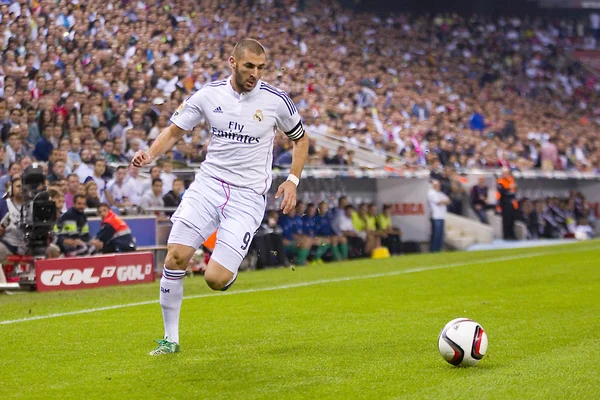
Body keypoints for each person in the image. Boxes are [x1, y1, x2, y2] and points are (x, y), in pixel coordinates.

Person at [132, 38, 309, 355]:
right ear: (233, 62)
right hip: (208, 185)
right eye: (249, 66)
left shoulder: (276, 101)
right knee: (175, 255)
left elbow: (301, 139)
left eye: (260, 67)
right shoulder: (208, 94)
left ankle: (226, 265)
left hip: (247, 196)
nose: (255, 73)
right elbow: (174, 130)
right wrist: (150, 154)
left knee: (215, 279)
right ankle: (170, 340)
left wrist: (292, 180)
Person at [0, 177, 26, 262]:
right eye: (18, 186)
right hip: (6, 244)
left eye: (24, 187)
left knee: (51, 250)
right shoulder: (2, 204)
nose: (21, 189)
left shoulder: (33, 206)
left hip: (27, 245)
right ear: (11, 189)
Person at [427, 179, 450, 252]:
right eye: (437, 185)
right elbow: (438, 202)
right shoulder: (431, 193)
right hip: (435, 216)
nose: (438, 187)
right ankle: (433, 250)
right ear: (434, 185)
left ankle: (438, 250)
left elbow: (448, 200)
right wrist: (444, 201)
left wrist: (444, 201)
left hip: (441, 216)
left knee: (440, 235)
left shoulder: (440, 193)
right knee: (436, 235)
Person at [496, 168, 518, 240]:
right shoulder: (500, 182)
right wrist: (510, 188)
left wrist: (513, 188)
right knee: (506, 220)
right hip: (505, 203)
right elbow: (502, 192)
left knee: (512, 219)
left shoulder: (511, 180)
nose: (506, 175)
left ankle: (512, 234)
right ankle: (506, 235)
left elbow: (514, 191)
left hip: (512, 203)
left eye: (507, 173)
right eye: (505, 173)